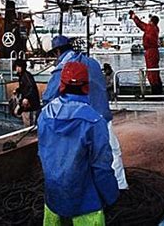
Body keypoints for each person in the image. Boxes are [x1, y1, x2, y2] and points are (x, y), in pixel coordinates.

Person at [38, 61, 120, 225]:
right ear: (87, 86)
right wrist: (112, 195)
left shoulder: (45, 115)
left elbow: (42, 153)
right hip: (85, 203)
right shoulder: (95, 121)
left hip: (53, 197)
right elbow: (101, 166)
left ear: (61, 85)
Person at [42, 35, 128, 190]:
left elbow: (48, 98)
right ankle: (119, 187)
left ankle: (87, 189)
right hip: (102, 117)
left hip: (80, 122)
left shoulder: (63, 67)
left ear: (57, 51)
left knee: (78, 158)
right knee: (111, 154)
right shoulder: (93, 62)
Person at [128, 10, 163, 95]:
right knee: (155, 71)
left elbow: (140, 24)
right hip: (154, 51)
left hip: (150, 51)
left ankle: (155, 91)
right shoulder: (155, 29)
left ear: (151, 21)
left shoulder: (150, 28)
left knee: (151, 72)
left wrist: (133, 16)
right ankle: (158, 89)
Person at [13, 59, 41, 126]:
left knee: (29, 119)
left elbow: (31, 87)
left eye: (19, 67)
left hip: (30, 102)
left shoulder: (26, 76)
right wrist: (17, 90)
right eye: (16, 67)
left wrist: (26, 97)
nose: (17, 69)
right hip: (27, 101)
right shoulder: (22, 76)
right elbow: (24, 87)